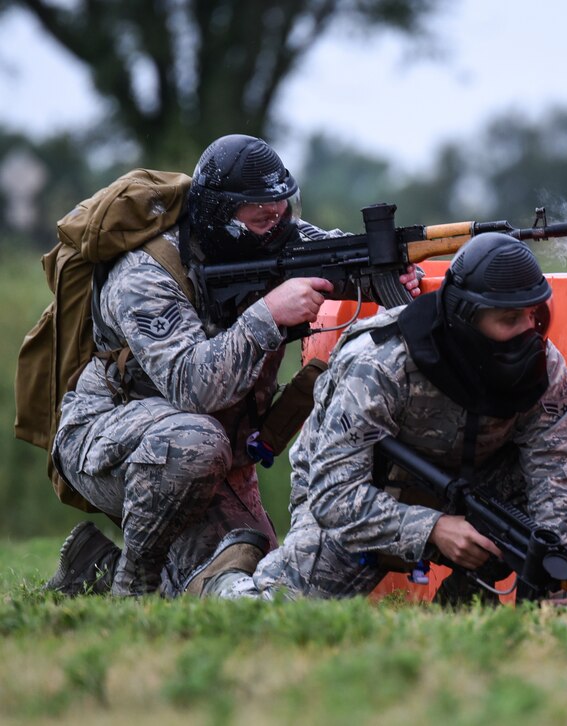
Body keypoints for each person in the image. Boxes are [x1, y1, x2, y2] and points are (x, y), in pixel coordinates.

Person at [43, 134, 420, 598]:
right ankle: (132, 584)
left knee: (249, 571)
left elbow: (341, 255)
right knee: (196, 443)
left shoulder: (275, 238)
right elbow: (192, 388)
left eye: (282, 211)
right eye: (261, 217)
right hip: (113, 439)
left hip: (216, 455)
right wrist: (269, 314)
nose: (277, 226)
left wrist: (389, 275)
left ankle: (92, 568)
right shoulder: (144, 274)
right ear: (220, 218)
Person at [200, 232, 567, 602]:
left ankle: (466, 602)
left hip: (467, 488)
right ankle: (223, 580)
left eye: (533, 314)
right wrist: (432, 529)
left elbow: (563, 478)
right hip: (363, 494)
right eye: (509, 319)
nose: (528, 328)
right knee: (274, 612)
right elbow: (333, 494)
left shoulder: (541, 365)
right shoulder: (381, 363)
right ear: (468, 318)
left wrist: (558, 591)